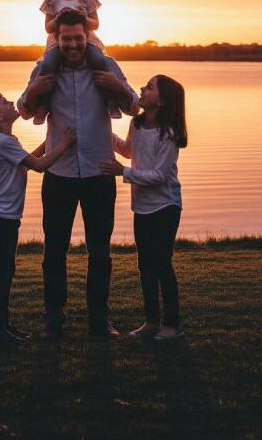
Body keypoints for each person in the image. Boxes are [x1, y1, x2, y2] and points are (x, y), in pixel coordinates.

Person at [18, 10, 139, 340]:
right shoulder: (45, 68)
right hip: (59, 174)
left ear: (88, 38)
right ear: (57, 39)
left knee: (100, 253)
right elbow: (25, 110)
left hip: (100, 172)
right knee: (53, 252)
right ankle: (53, 322)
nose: (73, 44)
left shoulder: (107, 66)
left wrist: (116, 84)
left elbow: (133, 106)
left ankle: (100, 321)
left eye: (78, 38)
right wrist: (31, 92)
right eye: (66, 39)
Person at [0, 91, 76, 347]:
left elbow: (28, 162)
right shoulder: (4, 142)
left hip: (3, 217)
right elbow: (40, 166)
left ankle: (2, 327)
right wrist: (64, 144)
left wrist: (51, 143)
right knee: (0, 275)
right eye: (5, 103)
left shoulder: (6, 140)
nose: (11, 103)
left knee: (5, 273)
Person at [100, 75, 187, 342]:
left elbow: (159, 175)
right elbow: (128, 151)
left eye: (149, 87)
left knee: (162, 264)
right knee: (145, 266)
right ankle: (151, 322)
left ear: (161, 101)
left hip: (165, 206)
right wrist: (105, 133)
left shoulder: (169, 134)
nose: (141, 89)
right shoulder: (136, 124)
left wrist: (122, 172)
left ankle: (172, 325)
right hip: (142, 207)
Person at [33, 0, 119, 124]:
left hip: (85, 40)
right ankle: (42, 106)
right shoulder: (53, 0)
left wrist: (84, 17)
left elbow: (95, 24)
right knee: (48, 65)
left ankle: (110, 101)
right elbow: (47, 28)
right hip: (58, 43)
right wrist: (58, 19)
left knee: (99, 60)